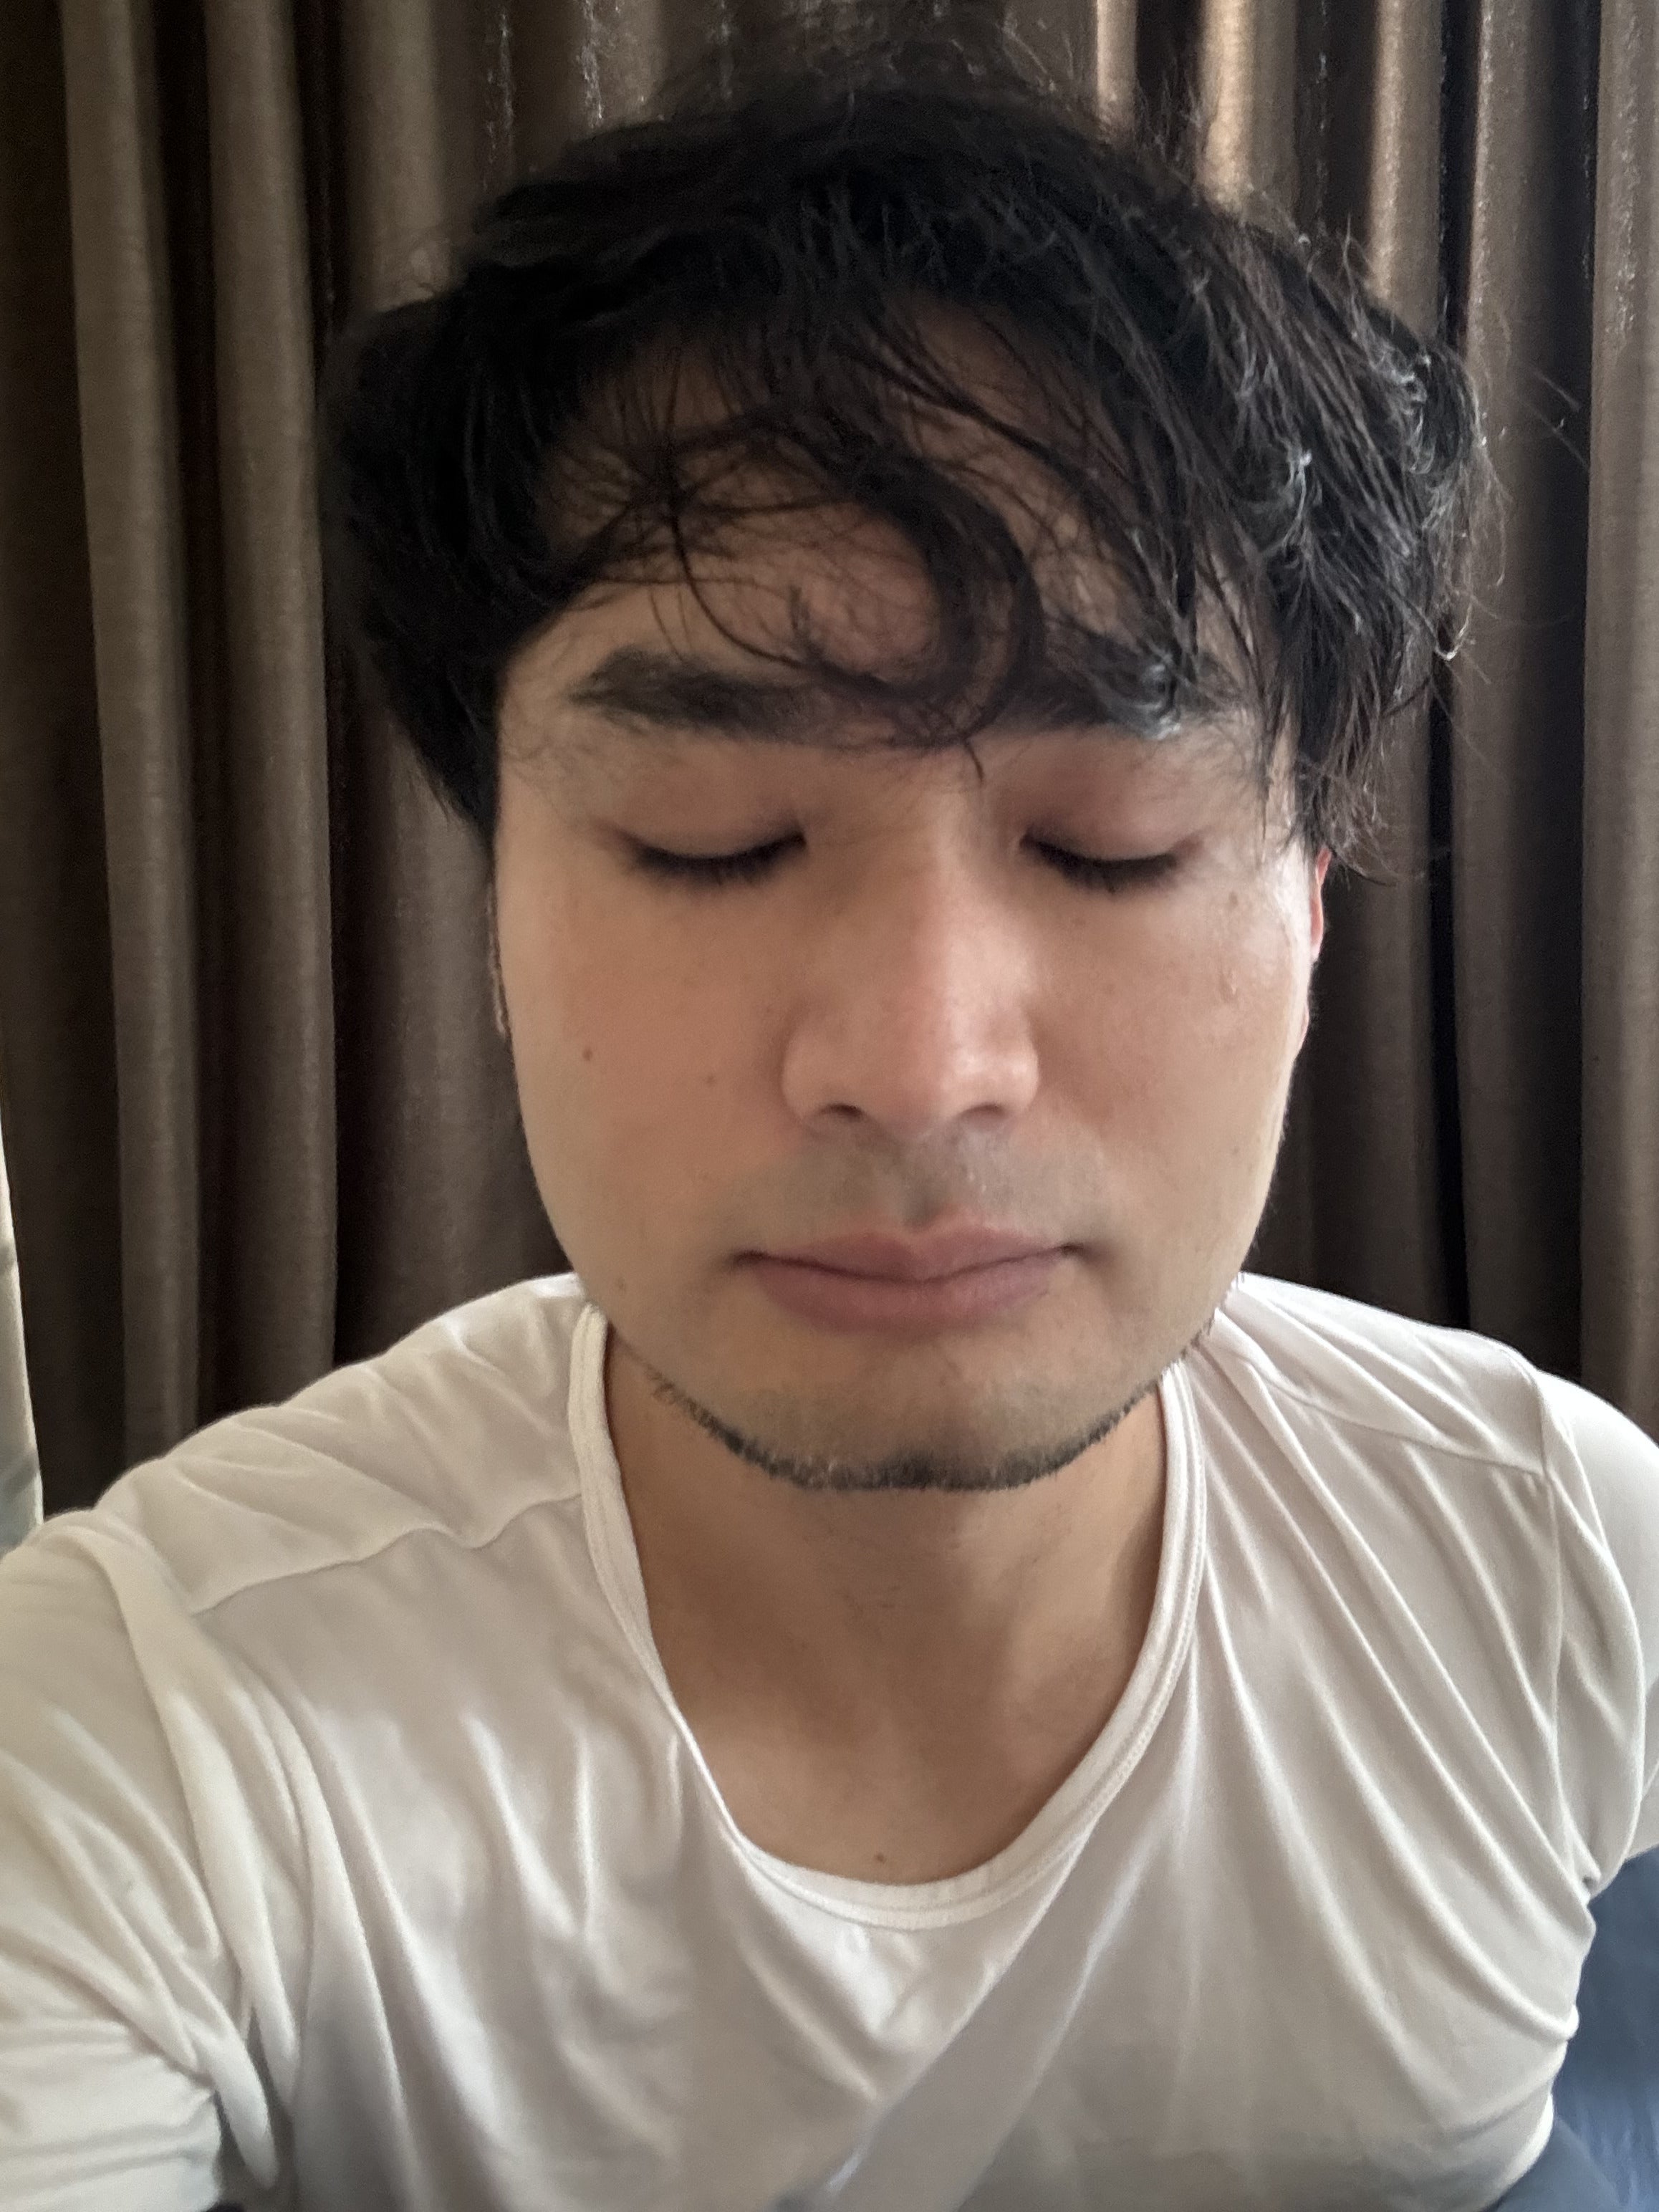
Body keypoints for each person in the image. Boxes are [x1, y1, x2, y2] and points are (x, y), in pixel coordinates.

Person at [1, 16, 1654, 2211]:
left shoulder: (1553, 1556)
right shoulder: (136, 1735)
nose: (920, 1060)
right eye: (712, 842)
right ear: (498, 907)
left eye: (1108, 846)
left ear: (1306, 911)